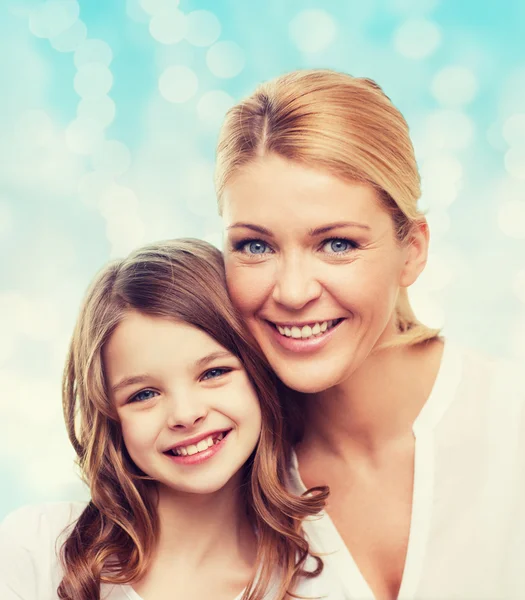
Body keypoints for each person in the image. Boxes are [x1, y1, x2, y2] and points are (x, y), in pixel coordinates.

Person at [215, 69, 525, 599]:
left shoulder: (510, 417)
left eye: (336, 244)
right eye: (255, 246)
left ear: (414, 249)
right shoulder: (215, 472)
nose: (291, 291)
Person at [0, 239, 341, 600]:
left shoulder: (315, 581)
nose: (185, 414)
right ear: (110, 417)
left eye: (213, 373)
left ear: (259, 374)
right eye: (144, 395)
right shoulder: (38, 549)